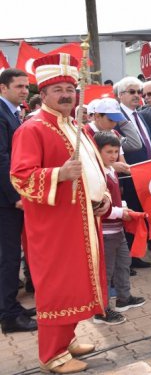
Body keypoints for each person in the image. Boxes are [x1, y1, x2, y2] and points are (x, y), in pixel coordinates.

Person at [11, 53, 112, 374]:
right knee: (58, 287)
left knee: (76, 285)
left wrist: (104, 196)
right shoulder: (33, 129)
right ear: (42, 94)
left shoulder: (74, 125)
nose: (67, 94)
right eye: (58, 89)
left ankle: (66, 340)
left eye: (70, 88)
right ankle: (52, 355)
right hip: (54, 227)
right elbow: (21, 176)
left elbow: (96, 170)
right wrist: (59, 175)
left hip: (82, 220)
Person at [91, 132, 145, 325]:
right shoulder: (96, 175)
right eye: (109, 152)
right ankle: (101, 310)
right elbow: (98, 208)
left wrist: (122, 208)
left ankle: (124, 298)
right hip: (104, 231)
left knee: (123, 264)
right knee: (105, 272)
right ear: (97, 152)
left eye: (116, 151)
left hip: (117, 229)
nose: (113, 156)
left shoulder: (110, 170)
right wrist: (120, 212)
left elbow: (113, 199)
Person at [0, 68, 36, 334]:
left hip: (9, 196)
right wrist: (15, 197)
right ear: (3, 88)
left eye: (26, 86)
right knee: (8, 258)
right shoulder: (1, 114)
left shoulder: (12, 112)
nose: (25, 91)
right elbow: (2, 159)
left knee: (9, 257)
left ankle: (9, 305)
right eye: (19, 86)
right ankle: (10, 316)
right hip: (5, 201)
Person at [114, 76, 151, 269]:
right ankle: (129, 259)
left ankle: (137, 254)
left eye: (139, 92)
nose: (137, 96)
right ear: (120, 95)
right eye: (132, 92)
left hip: (144, 173)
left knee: (140, 212)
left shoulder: (140, 114)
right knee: (130, 214)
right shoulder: (116, 117)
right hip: (126, 175)